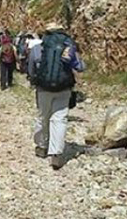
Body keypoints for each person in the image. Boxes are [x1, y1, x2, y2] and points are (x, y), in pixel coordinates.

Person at [27, 22, 85, 170]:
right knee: (60, 119)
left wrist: (34, 80)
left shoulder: (37, 48)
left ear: (46, 33)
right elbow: (81, 67)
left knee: (43, 117)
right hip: (64, 88)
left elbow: (31, 69)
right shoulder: (68, 47)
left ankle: (41, 146)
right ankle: (56, 154)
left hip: (43, 88)